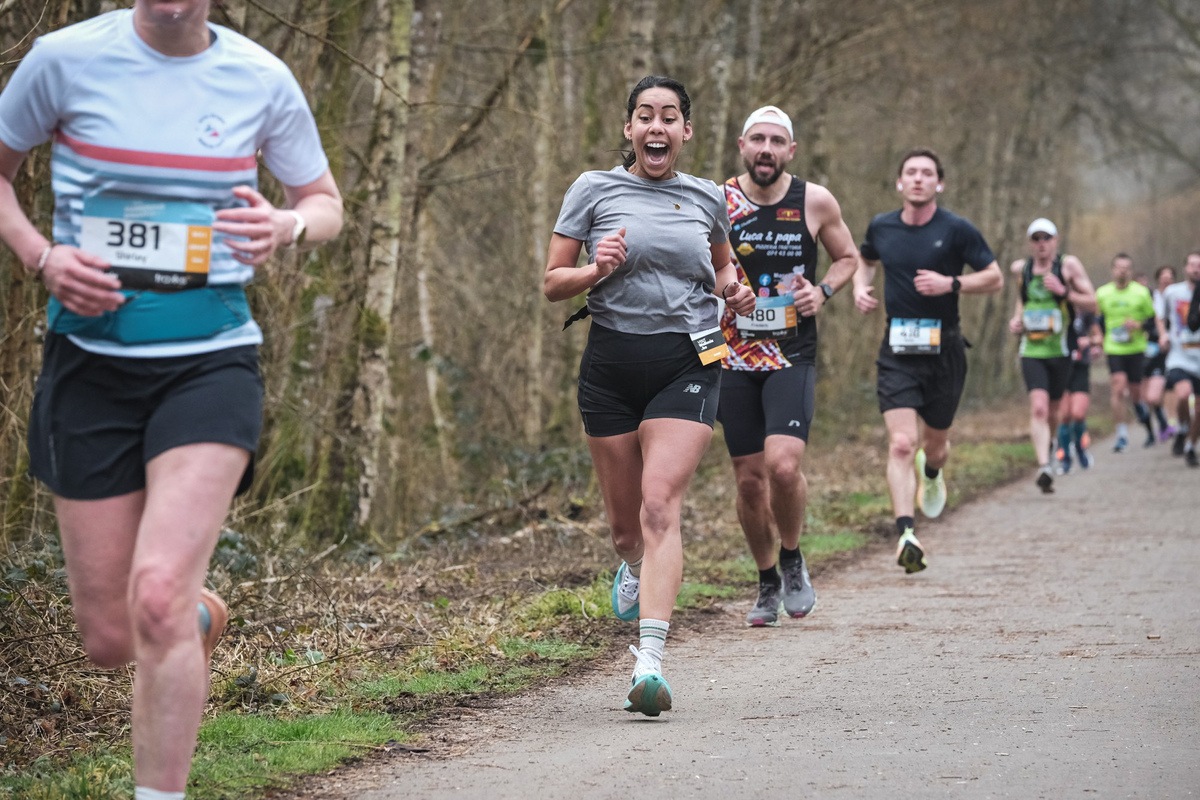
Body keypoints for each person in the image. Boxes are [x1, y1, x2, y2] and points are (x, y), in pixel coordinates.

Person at [0, 3, 343, 798]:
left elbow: (325, 201)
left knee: (155, 593)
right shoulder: (62, 58)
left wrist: (287, 225)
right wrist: (41, 256)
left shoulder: (261, 77)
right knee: (111, 637)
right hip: (88, 364)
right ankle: (190, 618)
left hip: (212, 362)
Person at [543, 76, 756, 716]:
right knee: (623, 529)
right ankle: (633, 567)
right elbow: (554, 283)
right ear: (630, 130)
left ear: (686, 132)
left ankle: (651, 663)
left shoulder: (707, 197)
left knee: (660, 504)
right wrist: (596, 268)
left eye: (669, 116)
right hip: (610, 362)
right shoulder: (593, 189)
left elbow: (723, 269)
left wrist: (735, 292)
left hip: (686, 360)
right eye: (645, 116)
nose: (656, 126)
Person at [715, 105, 860, 627]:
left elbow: (848, 258)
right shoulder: (719, 201)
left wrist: (822, 291)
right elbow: (697, 262)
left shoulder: (814, 201)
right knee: (750, 481)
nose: (767, 150)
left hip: (790, 354)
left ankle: (794, 556)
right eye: (758, 139)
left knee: (782, 466)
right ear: (742, 145)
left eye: (777, 141)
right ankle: (766, 579)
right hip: (731, 356)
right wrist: (725, 291)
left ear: (791, 151)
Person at [852, 148, 1003, 573]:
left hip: (946, 352)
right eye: (910, 173)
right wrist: (861, 288)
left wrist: (951, 283)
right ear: (900, 183)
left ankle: (933, 473)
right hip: (897, 351)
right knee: (902, 443)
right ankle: (906, 532)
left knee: (935, 447)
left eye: (927, 173)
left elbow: (994, 278)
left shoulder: (956, 229)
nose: (918, 179)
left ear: (940, 183)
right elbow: (865, 260)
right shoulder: (881, 226)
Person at [1007, 218, 1096, 493]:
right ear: (1030, 242)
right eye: (1036, 238)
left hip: (1060, 349)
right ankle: (1045, 466)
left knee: (1055, 411)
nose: (1041, 243)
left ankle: (1053, 442)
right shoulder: (1020, 269)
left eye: (1046, 238)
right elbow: (1023, 299)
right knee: (1039, 408)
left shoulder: (1068, 265)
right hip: (1032, 349)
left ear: (1055, 240)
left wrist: (1064, 292)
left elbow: (1093, 301)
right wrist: (1017, 319)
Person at [1094, 254, 1156, 453]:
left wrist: (1138, 325)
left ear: (1131, 271)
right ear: (1112, 270)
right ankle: (1121, 434)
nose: (1122, 271)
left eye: (1126, 267)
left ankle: (1144, 417)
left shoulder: (1141, 292)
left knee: (1136, 394)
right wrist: (1098, 337)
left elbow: (1153, 320)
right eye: (1119, 267)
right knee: (1118, 388)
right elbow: (1095, 320)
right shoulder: (1102, 293)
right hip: (1114, 348)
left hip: (1136, 348)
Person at [1157, 252, 1200, 467]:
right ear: (1185, 268)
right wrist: (1163, 334)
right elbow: (1160, 317)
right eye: (1192, 265)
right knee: (1183, 395)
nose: (1196, 269)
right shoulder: (1173, 292)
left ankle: (1191, 447)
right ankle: (1182, 429)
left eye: (1199, 266)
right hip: (1179, 355)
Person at [1055, 308, 1099, 473]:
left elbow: (1098, 337)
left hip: (1080, 367)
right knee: (1065, 415)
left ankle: (1080, 447)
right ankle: (1066, 456)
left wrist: (1089, 341)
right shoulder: (1056, 307)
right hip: (1061, 366)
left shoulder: (1086, 311)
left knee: (1078, 414)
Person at [1142, 265, 1178, 445]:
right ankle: (1163, 424)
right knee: (1151, 396)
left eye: (1170, 276)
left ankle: (1174, 422)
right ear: (1158, 279)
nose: (1166, 279)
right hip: (1152, 352)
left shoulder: (1181, 296)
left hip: (1177, 352)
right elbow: (1145, 321)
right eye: (1163, 276)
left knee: (1174, 389)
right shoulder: (1150, 298)